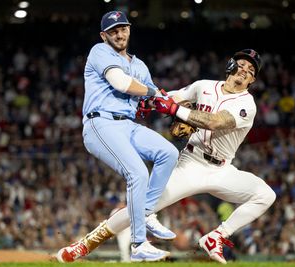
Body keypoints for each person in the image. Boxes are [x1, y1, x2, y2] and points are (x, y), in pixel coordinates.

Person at [57, 49, 276, 264]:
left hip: (222, 169)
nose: (244, 70)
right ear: (230, 65)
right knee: (142, 206)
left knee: (265, 195)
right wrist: (151, 103)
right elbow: (172, 97)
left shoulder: (247, 104)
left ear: (252, 81)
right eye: (241, 64)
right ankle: (84, 245)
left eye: (250, 70)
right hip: (191, 163)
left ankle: (217, 236)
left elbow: (214, 122)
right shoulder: (204, 86)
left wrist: (174, 110)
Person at [56, 10, 180, 262]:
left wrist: (170, 105)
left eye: (123, 28)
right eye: (113, 30)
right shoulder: (99, 51)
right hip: (100, 123)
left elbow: (155, 98)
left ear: (129, 30)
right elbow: (122, 84)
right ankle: (138, 244)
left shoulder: (140, 65)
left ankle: (145, 212)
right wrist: (154, 94)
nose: (119, 33)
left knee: (168, 153)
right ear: (104, 35)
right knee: (137, 173)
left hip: (128, 125)